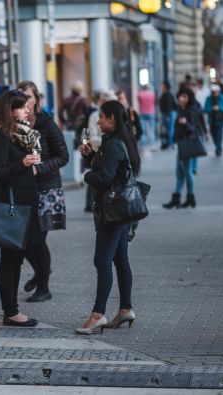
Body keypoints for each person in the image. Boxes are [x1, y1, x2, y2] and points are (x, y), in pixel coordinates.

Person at [76, 100, 141, 335]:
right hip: (122, 212)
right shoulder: (120, 141)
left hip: (112, 214)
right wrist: (91, 155)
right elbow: (110, 171)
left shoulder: (114, 144)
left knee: (102, 261)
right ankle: (125, 309)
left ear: (112, 118)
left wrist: (87, 176)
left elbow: (103, 178)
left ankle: (98, 314)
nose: (98, 120)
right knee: (121, 260)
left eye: (102, 117)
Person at [0, 89, 46, 327]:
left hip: (27, 205)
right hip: (12, 208)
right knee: (10, 259)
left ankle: (13, 309)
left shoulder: (24, 136)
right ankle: (11, 311)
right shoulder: (1, 137)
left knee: (19, 258)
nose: (27, 109)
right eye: (22, 107)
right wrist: (22, 163)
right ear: (10, 111)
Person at [17, 81, 69, 302]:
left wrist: (40, 169)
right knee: (23, 240)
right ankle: (41, 272)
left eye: (29, 97)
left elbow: (63, 156)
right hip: (24, 189)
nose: (26, 102)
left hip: (46, 189)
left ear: (36, 98)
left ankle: (43, 287)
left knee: (37, 240)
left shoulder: (47, 124)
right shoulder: (17, 124)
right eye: (21, 98)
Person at [163, 88, 202, 209]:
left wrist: (185, 123)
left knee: (187, 172)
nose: (181, 99)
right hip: (181, 145)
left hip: (188, 145)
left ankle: (189, 198)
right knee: (179, 173)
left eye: (184, 97)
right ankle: (180, 198)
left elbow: (193, 129)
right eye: (180, 96)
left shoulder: (191, 110)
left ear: (189, 98)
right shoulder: (181, 109)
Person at [203, 84, 223, 157]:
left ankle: (218, 149)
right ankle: (218, 146)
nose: (215, 93)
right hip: (212, 120)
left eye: (216, 92)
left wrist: (219, 108)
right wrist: (212, 109)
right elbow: (205, 109)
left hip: (220, 119)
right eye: (213, 92)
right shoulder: (208, 99)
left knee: (219, 134)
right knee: (213, 135)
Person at [137, 85, 157, 150]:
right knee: (151, 129)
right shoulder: (152, 94)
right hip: (151, 112)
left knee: (143, 130)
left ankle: (141, 146)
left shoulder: (140, 94)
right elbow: (154, 102)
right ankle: (152, 146)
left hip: (142, 112)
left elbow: (139, 101)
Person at [159, 82, 178, 150]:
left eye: (162, 86)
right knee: (168, 129)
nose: (161, 88)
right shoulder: (165, 94)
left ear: (166, 87)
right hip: (168, 113)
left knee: (170, 129)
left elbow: (169, 106)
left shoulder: (168, 95)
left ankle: (170, 143)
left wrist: (167, 115)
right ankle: (169, 143)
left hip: (169, 114)